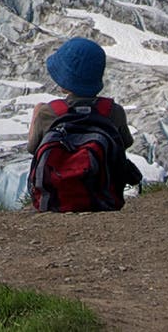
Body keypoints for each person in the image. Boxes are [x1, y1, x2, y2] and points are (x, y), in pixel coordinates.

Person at [26, 35, 142, 209]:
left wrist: (37, 114)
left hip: (54, 201)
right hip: (104, 200)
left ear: (64, 81)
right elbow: (123, 144)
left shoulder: (48, 112)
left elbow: (32, 148)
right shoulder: (113, 111)